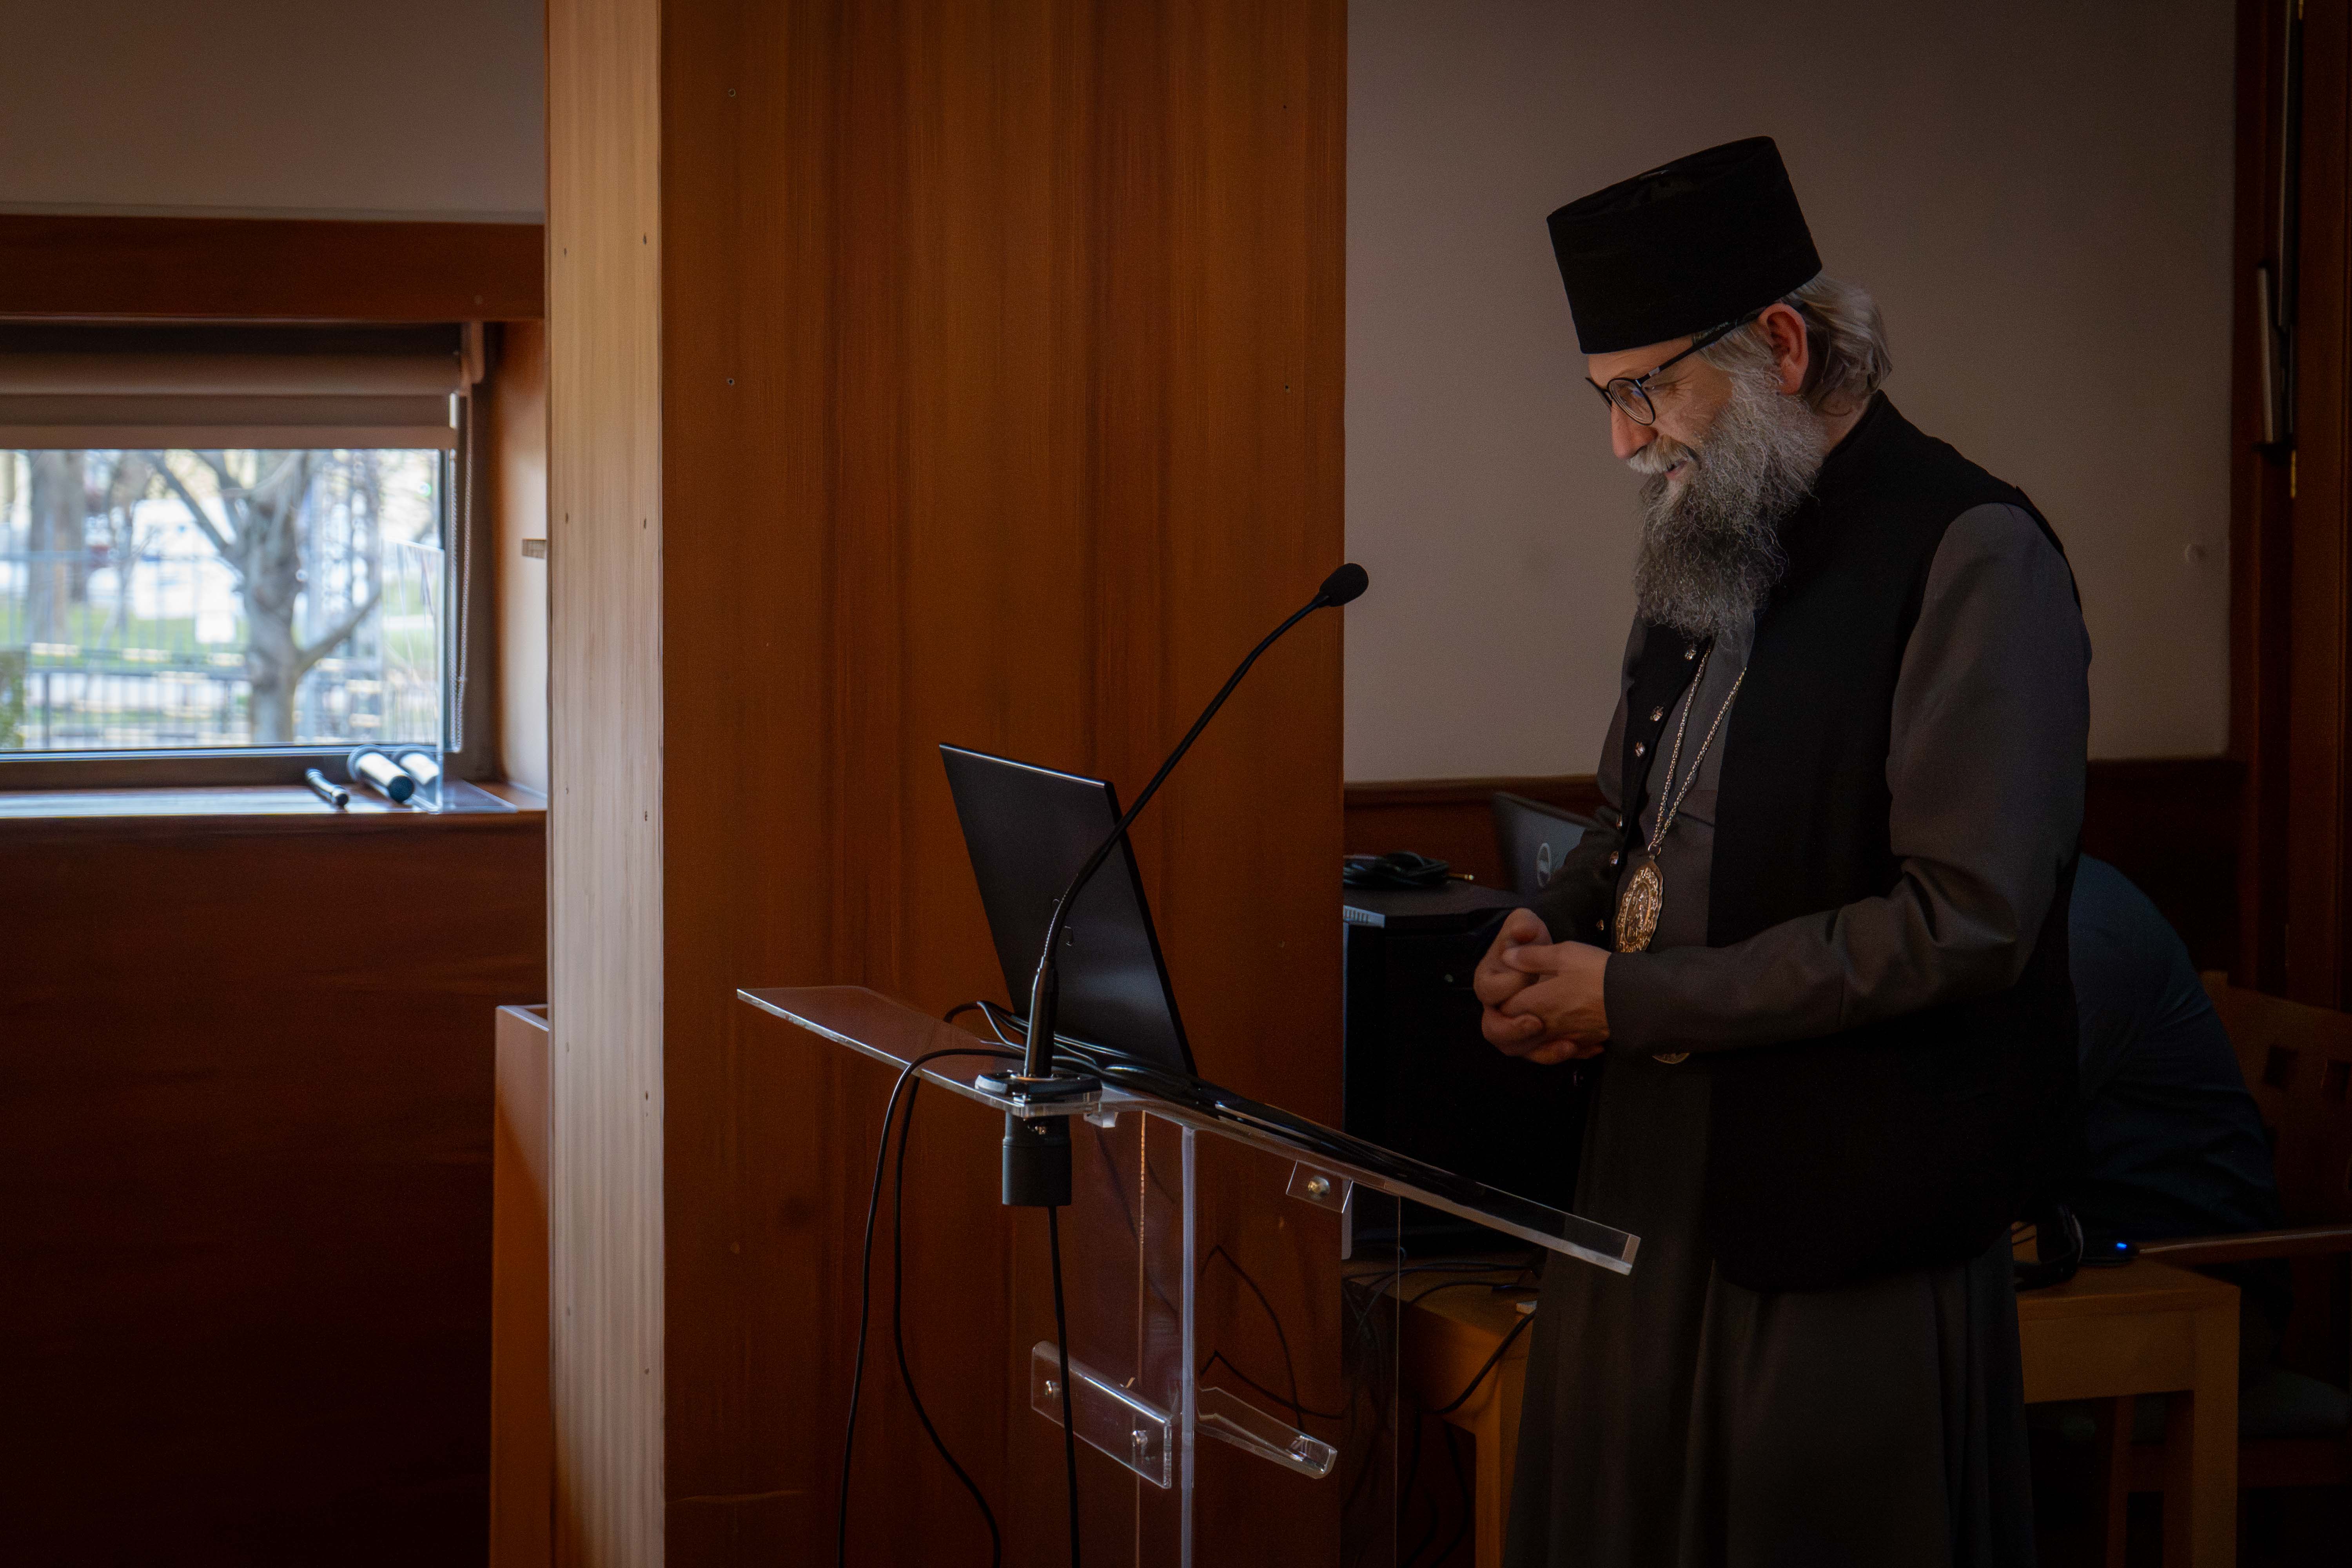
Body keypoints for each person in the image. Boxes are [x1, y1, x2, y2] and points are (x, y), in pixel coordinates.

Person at [1478, 138, 2089, 1567]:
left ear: (1783, 347)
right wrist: (1548, 931)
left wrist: (1637, 998)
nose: (1625, 442)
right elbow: (1637, 814)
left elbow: (1966, 921)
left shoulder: (1971, 548)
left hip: (1845, 1200)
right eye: (1606, 398)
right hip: (1647, 1167)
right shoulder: (1715, 521)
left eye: (1643, 391)